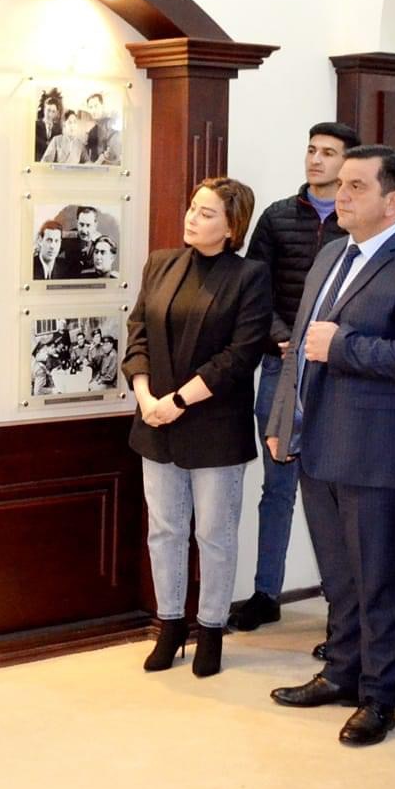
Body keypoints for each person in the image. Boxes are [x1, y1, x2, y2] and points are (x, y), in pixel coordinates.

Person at [262, 147, 395, 746]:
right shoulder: (332, 254)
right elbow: (302, 344)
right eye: (340, 184)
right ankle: (341, 673)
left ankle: (379, 696)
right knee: (341, 578)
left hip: (380, 454)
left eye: (355, 186)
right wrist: (283, 418)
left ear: (393, 200)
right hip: (319, 440)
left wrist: (345, 347)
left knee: (379, 581)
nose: (340, 195)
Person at [123, 177, 273, 678]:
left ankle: (210, 630)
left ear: (232, 227)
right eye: (192, 207)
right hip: (155, 419)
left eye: (207, 213)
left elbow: (240, 355)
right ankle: (169, 625)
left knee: (214, 534)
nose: (192, 218)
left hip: (215, 424)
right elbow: (138, 332)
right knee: (164, 530)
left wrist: (180, 400)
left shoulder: (249, 276)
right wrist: (146, 396)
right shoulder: (161, 263)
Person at [230, 120, 358, 633]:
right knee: (277, 486)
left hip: (340, 367)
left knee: (336, 492)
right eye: (311, 149)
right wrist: (285, 338)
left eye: (328, 152)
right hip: (282, 364)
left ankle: (342, 605)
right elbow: (254, 290)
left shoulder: (358, 220)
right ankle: (267, 592)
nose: (316, 159)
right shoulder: (279, 216)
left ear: (348, 163)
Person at [83, 91, 123, 165]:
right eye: (91, 107)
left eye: (96, 106)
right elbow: (91, 158)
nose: (93, 110)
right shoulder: (92, 132)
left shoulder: (112, 125)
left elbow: (115, 155)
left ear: (102, 106)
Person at [34, 88, 65, 159]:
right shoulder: (36, 125)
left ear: (56, 113)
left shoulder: (58, 129)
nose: (50, 114)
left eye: (53, 111)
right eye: (48, 110)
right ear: (44, 109)